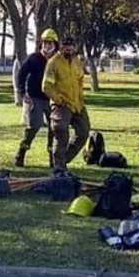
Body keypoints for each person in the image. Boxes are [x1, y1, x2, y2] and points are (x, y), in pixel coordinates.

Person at [42, 36, 90, 172]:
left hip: (77, 104)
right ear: (61, 47)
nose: (69, 49)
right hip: (61, 105)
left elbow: (80, 81)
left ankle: (64, 159)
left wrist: (80, 99)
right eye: (66, 46)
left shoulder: (76, 62)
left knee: (84, 132)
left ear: (75, 48)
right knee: (61, 132)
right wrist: (58, 100)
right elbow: (46, 86)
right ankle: (58, 167)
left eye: (72, 46)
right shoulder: (53, 63)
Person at [14, 28, 59, 167]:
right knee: (34, 126)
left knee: (54, 129)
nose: (47, 45)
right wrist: (22, 93)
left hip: (53, 99)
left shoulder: (58, 60)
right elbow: (21, 74)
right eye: (45, 42)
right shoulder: (34, 58)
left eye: (50, 42)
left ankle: (53, 159)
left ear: (55, 44)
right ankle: (22, 151)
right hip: (35, 98)